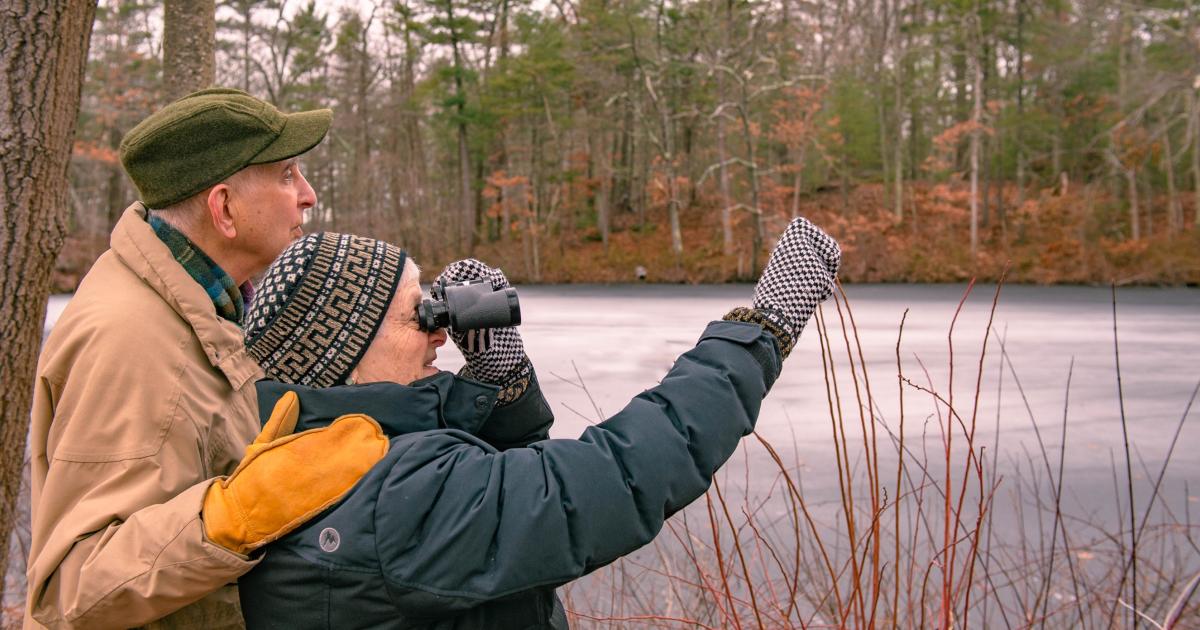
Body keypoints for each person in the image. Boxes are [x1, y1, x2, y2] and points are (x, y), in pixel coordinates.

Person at [233, 216, 840, 629]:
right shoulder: (395, 495)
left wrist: (501, 381)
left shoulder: (306, 460)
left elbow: (494, 513)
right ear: (348, 352)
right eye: (413, 315)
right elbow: (610, 481)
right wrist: (760, 330)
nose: (438, 328)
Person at [26, 88, 390, 629]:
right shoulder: (135, 341)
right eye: (288, 174)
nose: (308, 195)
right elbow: (74, 587)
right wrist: (233, 516)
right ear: (224, 208)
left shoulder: (200, 306)